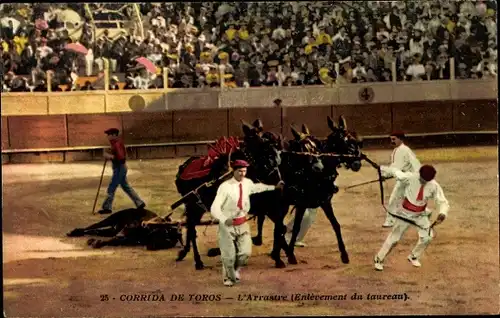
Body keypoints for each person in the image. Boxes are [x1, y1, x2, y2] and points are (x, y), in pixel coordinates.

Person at [210, 159, 285, 286]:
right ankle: (228, 278)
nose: (242, 174)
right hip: (228, 224)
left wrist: (274, 187)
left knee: (245, 253)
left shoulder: (247, 183)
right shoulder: (225, 187)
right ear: (233, 171)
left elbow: (258, 187)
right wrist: (223, 219)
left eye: (244, 171)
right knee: (229, 255)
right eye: (239, 171)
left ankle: (235, 270)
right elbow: (214, 208)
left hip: (242, 223)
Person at [374, 165, 450, 271]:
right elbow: (396, 171)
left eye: (426, 181)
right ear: (419, 174)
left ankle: (413, 256)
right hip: (404, 213)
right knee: (394, 238)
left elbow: (442, 201)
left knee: (428, 236)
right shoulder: (410, 177)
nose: (423, 182)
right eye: (422, 180)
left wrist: (442, 213)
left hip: (420, 215)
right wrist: (381, 170)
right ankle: (379, 259)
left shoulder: (434, 185)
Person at [97, 128, 146, 215]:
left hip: (119, 168)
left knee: (111, 188)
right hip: (120, 168)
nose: (107, 136)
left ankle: (107, 207)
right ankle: (139, 203)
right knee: (126, 187)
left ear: (114, 135)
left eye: (109, 134)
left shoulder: (117, 144)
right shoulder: (115, 144)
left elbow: (121, 159)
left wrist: (109, 156)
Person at [381, 131, 421, 227]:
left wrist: (384, 174)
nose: (392, 141)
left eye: (394, 139)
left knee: (394, 200)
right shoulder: (399, 149)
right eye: (391, 139)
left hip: (409, 179)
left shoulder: (402, 150)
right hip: (410, 178)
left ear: (400, 139)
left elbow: (396, 167)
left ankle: (390, 221)